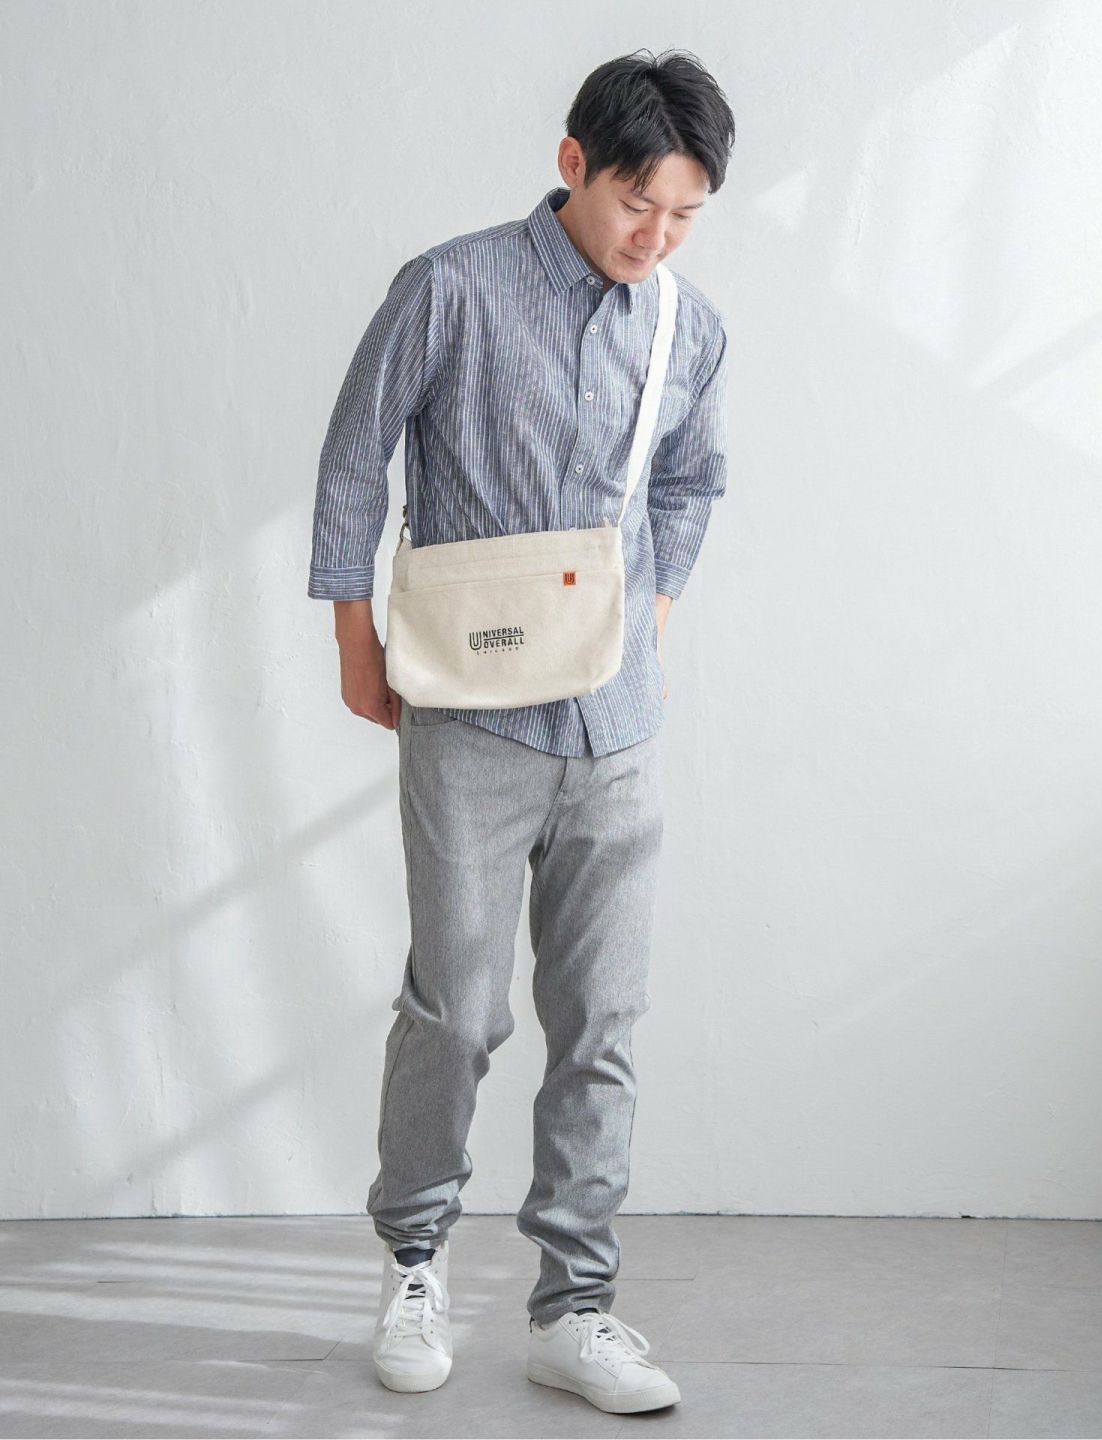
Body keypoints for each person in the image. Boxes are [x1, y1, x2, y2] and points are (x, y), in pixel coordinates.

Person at [307, 47, 733, 1415]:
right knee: (457, 1010)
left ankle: (574, 1307)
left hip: (618, 727)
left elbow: (693, 478)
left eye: (683, 215)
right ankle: (414, 1261)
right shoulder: (450, 287)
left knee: (601, 1019)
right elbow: (356, 456)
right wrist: (354, 639)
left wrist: (651, 609)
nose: (655, 237)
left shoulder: (688, 326)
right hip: (469, 716)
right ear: (573, 164)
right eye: (636, 204)